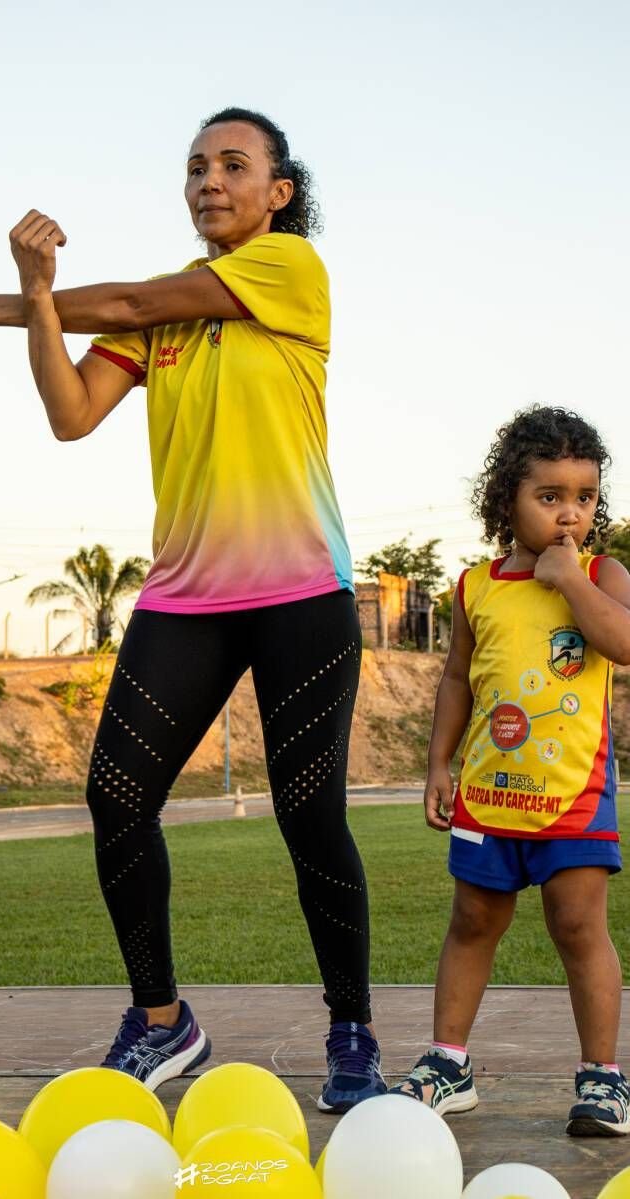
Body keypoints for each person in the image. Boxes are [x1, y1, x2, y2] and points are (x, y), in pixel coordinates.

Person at [0, 108, 384, 1112]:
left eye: (234, 165)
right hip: (186, 595)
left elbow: (135, 293)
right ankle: (162, 1021)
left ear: (279, 191)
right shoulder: (148, 319)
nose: (210, 179)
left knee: (306, 812)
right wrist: (30, 297)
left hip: (300, 590)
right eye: (196, 166)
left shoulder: (290, 269)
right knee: (117, 794)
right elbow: (70, 415)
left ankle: (351, 1029)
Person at [389, 407, 630, 1136]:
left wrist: (569, 582)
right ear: (506, 501)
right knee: (471, 920)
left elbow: (622, 642)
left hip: (573, 798)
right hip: (489, 795)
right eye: (548, 495)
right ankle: (447, 1064)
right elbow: (457, 679)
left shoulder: (600, 572)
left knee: (577, 924)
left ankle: (601, 1078)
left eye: (583, 497)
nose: (568, 514)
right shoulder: (474, 587)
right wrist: (438, 761)